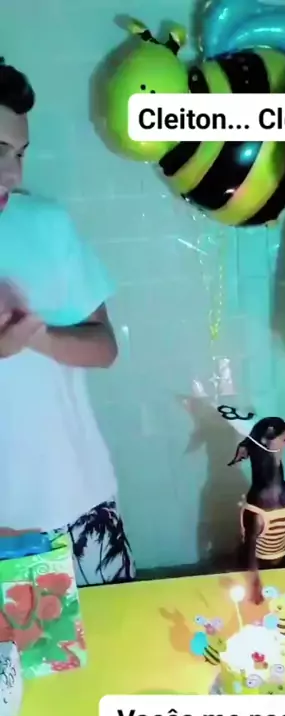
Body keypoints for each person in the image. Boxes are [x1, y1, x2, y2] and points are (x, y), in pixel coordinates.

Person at [0, 59, 135, 584]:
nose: (13, 174)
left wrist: (34, 334)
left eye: (19, 154)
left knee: (115, 636)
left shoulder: (45, 224)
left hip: (74, 507)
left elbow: (104, 347)